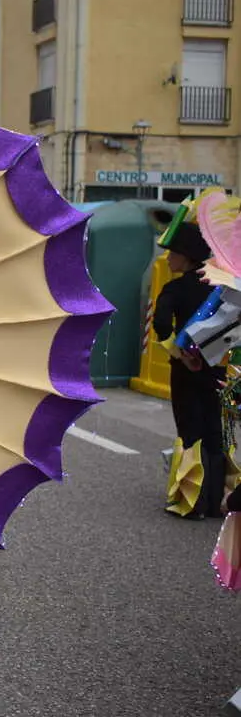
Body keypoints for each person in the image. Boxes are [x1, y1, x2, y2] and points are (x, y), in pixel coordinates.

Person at [155, 221, 225, 520]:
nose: (168, 259)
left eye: (172, 253)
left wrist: (181, 355)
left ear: (186, 256)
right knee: (213, 430)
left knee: (189, 429)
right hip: (217, 367)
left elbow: (160, 325)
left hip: (186, 369)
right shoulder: (220, 287)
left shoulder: (173, 289)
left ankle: (190, 500)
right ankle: (217, 500)